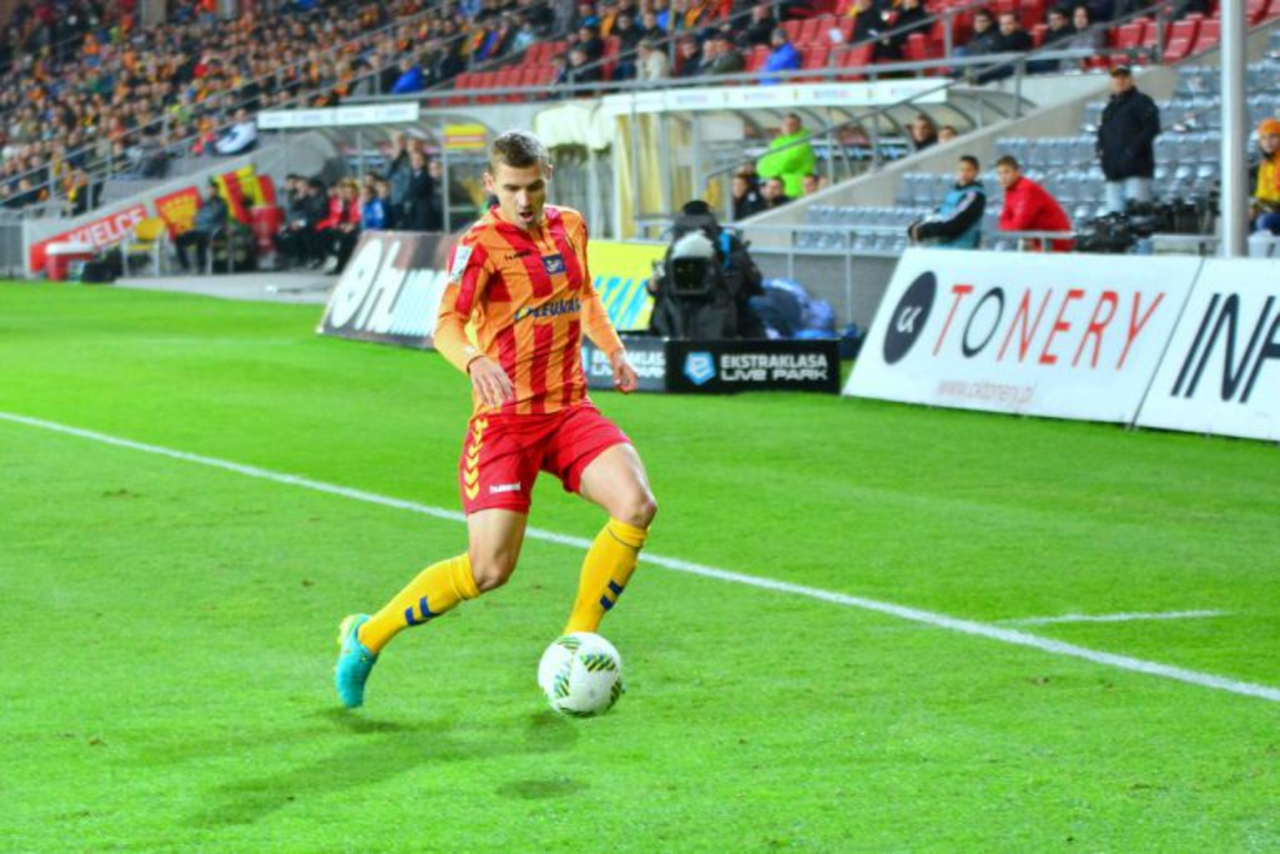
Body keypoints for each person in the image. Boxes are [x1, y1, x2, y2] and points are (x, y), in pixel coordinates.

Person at [333, 130, 656, 710]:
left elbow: (584, 295)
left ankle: (575, 640)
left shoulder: (571, 225)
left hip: (569, 409)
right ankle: (367, 636)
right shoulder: (479, 245)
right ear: (490, 184)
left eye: (532, 187)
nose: (523, 200)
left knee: (636, 505)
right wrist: (475, 359)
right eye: (511, 189)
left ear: (546, 176)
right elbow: (446, 325)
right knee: (489, 571)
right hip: (505, 423)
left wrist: (613, 350)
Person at [1097, 65, 1160, 214]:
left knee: (1139, 216)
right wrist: (1101, 153)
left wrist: (1132, 151)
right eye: (1116, 78)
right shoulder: (1109, 108)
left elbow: (1152, 128)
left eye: (1124, 77)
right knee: (1115, 216)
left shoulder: (1142, 101)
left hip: (1137, 170)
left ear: (1132, 80)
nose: (1120, 81)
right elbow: (1102, 134)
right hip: (1113, 172)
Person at [995, 155, 1073, 252]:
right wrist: (1008, 225)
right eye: (999, 173)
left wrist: (1008, 225)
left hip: (1055, 241)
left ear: (1017, 172)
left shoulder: (1027, 189)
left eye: (1006, 172)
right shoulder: (1009, 190)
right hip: (1038, 241)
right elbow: (1002, 221)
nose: (1002, 177)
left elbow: (1018, 226)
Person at [907, 154, 986, 249]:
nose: (964, 173)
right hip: (941, 245)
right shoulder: (954, 192)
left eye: (969, 170)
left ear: (976, 172)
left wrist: (923, 230)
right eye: (961, 169)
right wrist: (916, 226)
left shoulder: (974, 195)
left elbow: (955, 225)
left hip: (959, 248)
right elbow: (938, 213)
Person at [757, 113, 816, 200]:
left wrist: (771, 166)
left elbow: (784, 164)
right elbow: (761, 166)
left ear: (799, 127)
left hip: (795, 190)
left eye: (792, 124)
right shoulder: (777, 142)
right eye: (785, 124)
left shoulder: (802, 143)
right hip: (779, 190)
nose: (788, 127)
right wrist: (773, 167)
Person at [175, 180, 229, 273]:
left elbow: (210, 217)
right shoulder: (206, 203)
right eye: (207, 188)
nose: (208, 191)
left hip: (213, 231)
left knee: (201, 239)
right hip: (199, 229)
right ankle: (186, 267)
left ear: (216, 190)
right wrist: (196, 219)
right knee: (179, 239)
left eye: (210, 189)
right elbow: (197, 217)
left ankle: (201, 266)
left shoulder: (221, 203)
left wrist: (199, 218)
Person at [1250, 118, 1280, 235]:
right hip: (1274, 210)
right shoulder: (1265, 164)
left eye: (1273, 136)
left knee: (1265, 221)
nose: (1268, 142)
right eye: (1263, 138)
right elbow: (1263, 194)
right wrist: (1254, 208)